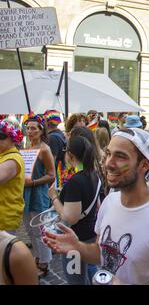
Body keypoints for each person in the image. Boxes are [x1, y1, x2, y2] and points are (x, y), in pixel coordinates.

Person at [44, 128, 149, 285]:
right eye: (109, 154)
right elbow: (101, 253)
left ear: (144, 165)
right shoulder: (110, 202)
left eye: (120, 157)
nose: (108, 164)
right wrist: (78, 246)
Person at [48, 136, 101, 284]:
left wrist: (54, 197)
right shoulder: (93, 174)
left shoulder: (76, 181)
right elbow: (97, 205)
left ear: (70, 154)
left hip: (74, 239)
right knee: (84, 275)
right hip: (89, 234)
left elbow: (70, 217)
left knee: (75, 279)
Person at [22, 115, 55, 278]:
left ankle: (45, 262)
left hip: (38, 194)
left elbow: (51, 175)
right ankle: (37, 256)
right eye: (28, 128)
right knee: (29, 229)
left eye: (33, 128)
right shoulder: (27, 146)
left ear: (41, 130)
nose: (30, 131)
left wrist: (33, 183)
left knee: (41, 230)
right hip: (26, 194)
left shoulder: (44, 149)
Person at [0, 120, 25, 232]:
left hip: (4, 218)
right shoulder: (3, 155)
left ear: (12, 138)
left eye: (1, 136)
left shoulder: (13, 158)